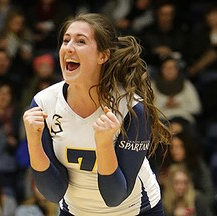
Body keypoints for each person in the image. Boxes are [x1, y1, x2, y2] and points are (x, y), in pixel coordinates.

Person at [22, 13, 171, 215]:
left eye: (81, 41)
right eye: (66, 40)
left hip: (137, 211)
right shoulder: (44, 103)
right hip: (74, 211)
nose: (69, 47)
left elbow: (115, 196)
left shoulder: (131, 108)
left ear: (103, 55)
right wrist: (33, 140)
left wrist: (104, 144)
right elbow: (52, 192)